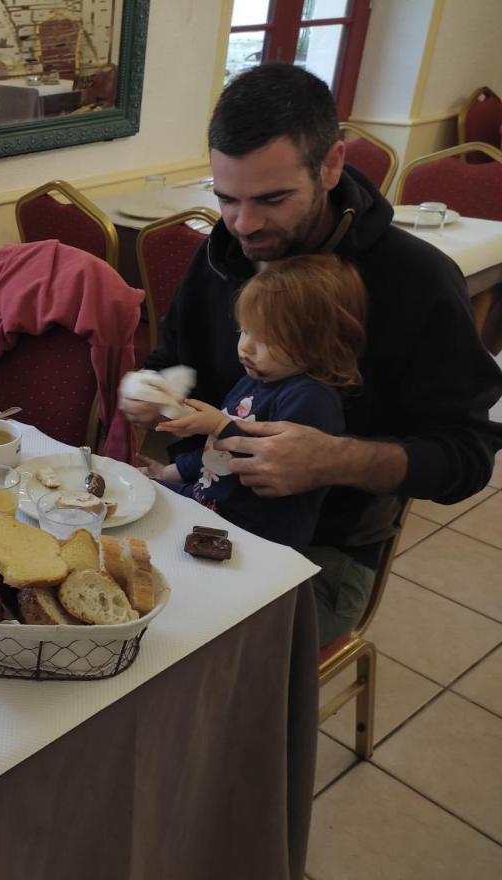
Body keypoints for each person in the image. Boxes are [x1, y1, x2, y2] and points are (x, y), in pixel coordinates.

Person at [121, 64, 502, 646]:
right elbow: (175, 358)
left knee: (167, 656)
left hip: (325, 552)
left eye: (272, 199)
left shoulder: (416, 281)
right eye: (226, 198)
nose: (244, 225)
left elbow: (467, 457)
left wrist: (335, 459)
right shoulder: (223, 254)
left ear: (331, 165)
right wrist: (152, 389)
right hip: (208, 506)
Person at [143, 254, 365, 551]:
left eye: (265, 339)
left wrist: (221, 426)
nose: (245, 346)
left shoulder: (311, 400)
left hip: (251, 537)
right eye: (244, 331)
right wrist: (168, 472)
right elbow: (214, 452)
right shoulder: (257, 378)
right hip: (210, 506)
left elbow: (269, 464)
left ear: (317, 344)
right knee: (137, 488)